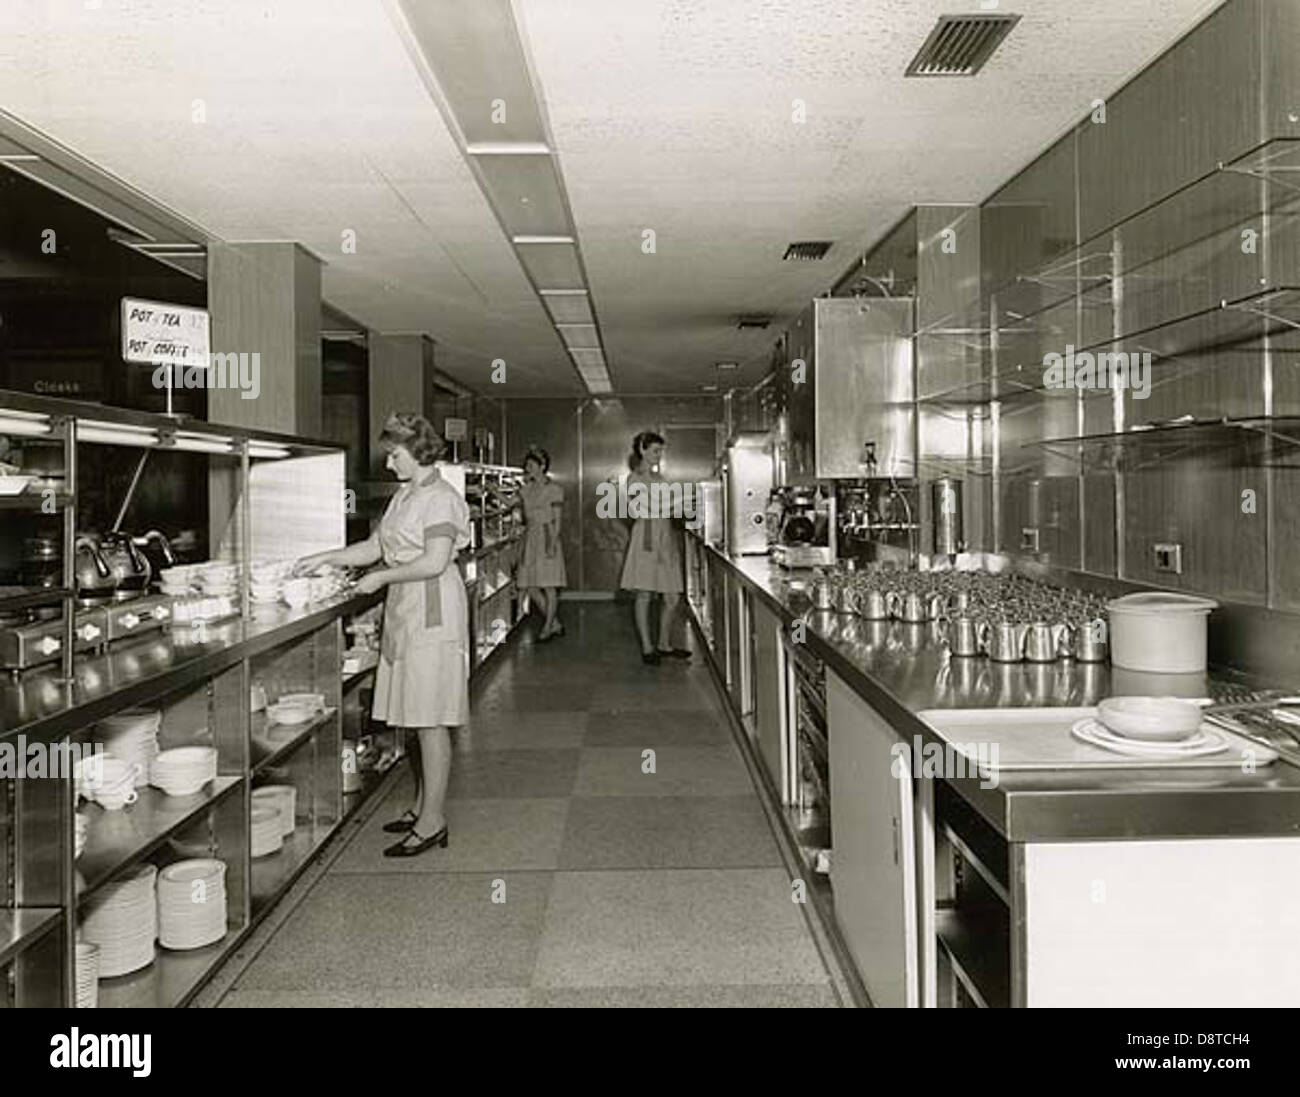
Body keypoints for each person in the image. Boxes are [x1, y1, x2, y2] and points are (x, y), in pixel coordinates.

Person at [295, 412, 470, 857]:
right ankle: (421, 805)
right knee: (416, 711)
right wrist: (326, 557)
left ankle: (433, 821)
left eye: (394, 455)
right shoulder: (404, 496)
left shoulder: (442, 500)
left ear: (418, 451)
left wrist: (379, 579)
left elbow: (434, 562)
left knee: (430, 720)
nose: (389, 464)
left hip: (432, 608)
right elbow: (376, 547)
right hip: (407, 608)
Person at [619, 430, 691, 665]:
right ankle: (648, 648)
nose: (659, 455)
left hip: (664, 536)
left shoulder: (660, 479)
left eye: (661, 451)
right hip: (646, 537)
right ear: (642, 449)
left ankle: (664, 643)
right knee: (645, 593)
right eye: (655, 451)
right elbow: (638, 510)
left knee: (671, 596)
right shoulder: (634, 479)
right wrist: (673, 503)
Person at [513, 446, 566, 640]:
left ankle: (547, 628)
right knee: (531, 585)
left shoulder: (554, 490)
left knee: (549, 585)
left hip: (546, 535)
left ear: (542, 466)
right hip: (531, 537)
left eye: (531, 465)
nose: (528, 469)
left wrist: (552, 543)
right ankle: (554, 623)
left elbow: (557, 521)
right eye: (527, 465)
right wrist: (492, 490)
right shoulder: (526, 490)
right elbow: (511, 503)